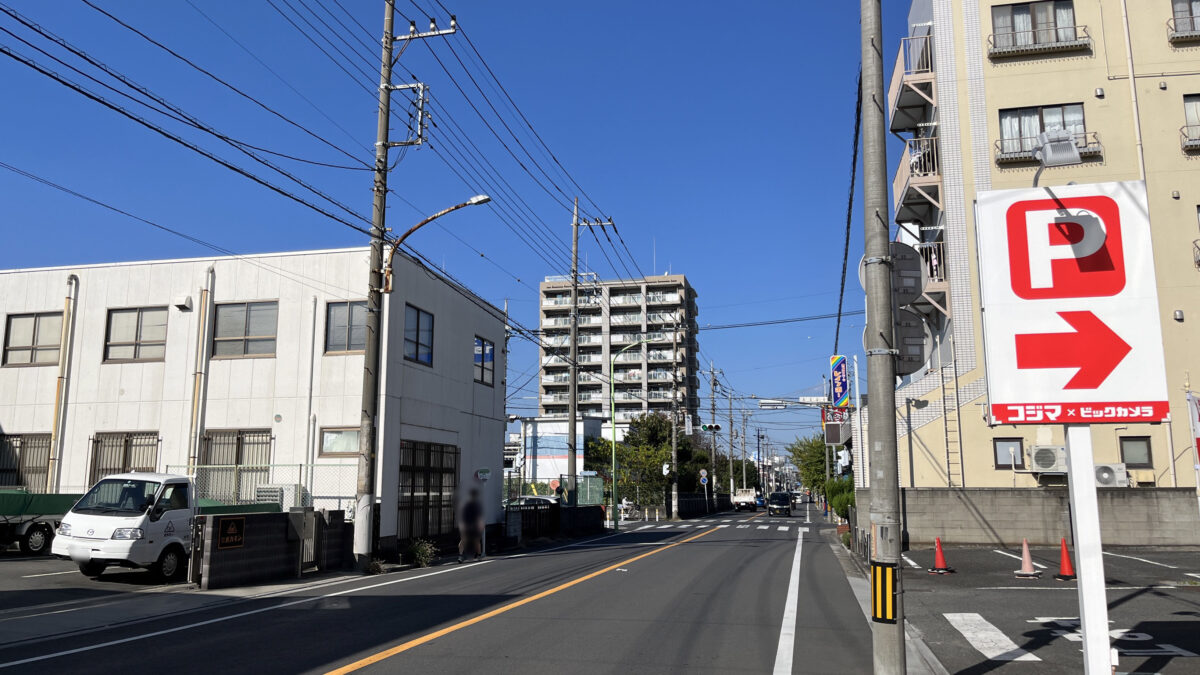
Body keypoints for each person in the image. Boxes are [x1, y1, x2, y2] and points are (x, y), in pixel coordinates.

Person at [458, 488, 484, 563]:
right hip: (471, 525)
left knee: (465, 540)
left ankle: (461, 556)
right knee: (474, 541)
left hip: (468, 525)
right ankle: (478, 555)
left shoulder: (466, 504)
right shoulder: (474, 505)